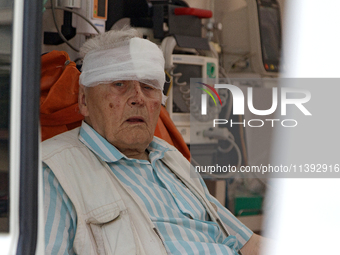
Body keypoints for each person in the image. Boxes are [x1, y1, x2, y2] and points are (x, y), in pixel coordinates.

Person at [42, 27, 264, 255]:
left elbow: (248, 243)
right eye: (119, 84)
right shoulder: (53, 173)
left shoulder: (172, 159)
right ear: (84, 102)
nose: (138, 98)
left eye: (149, 86)